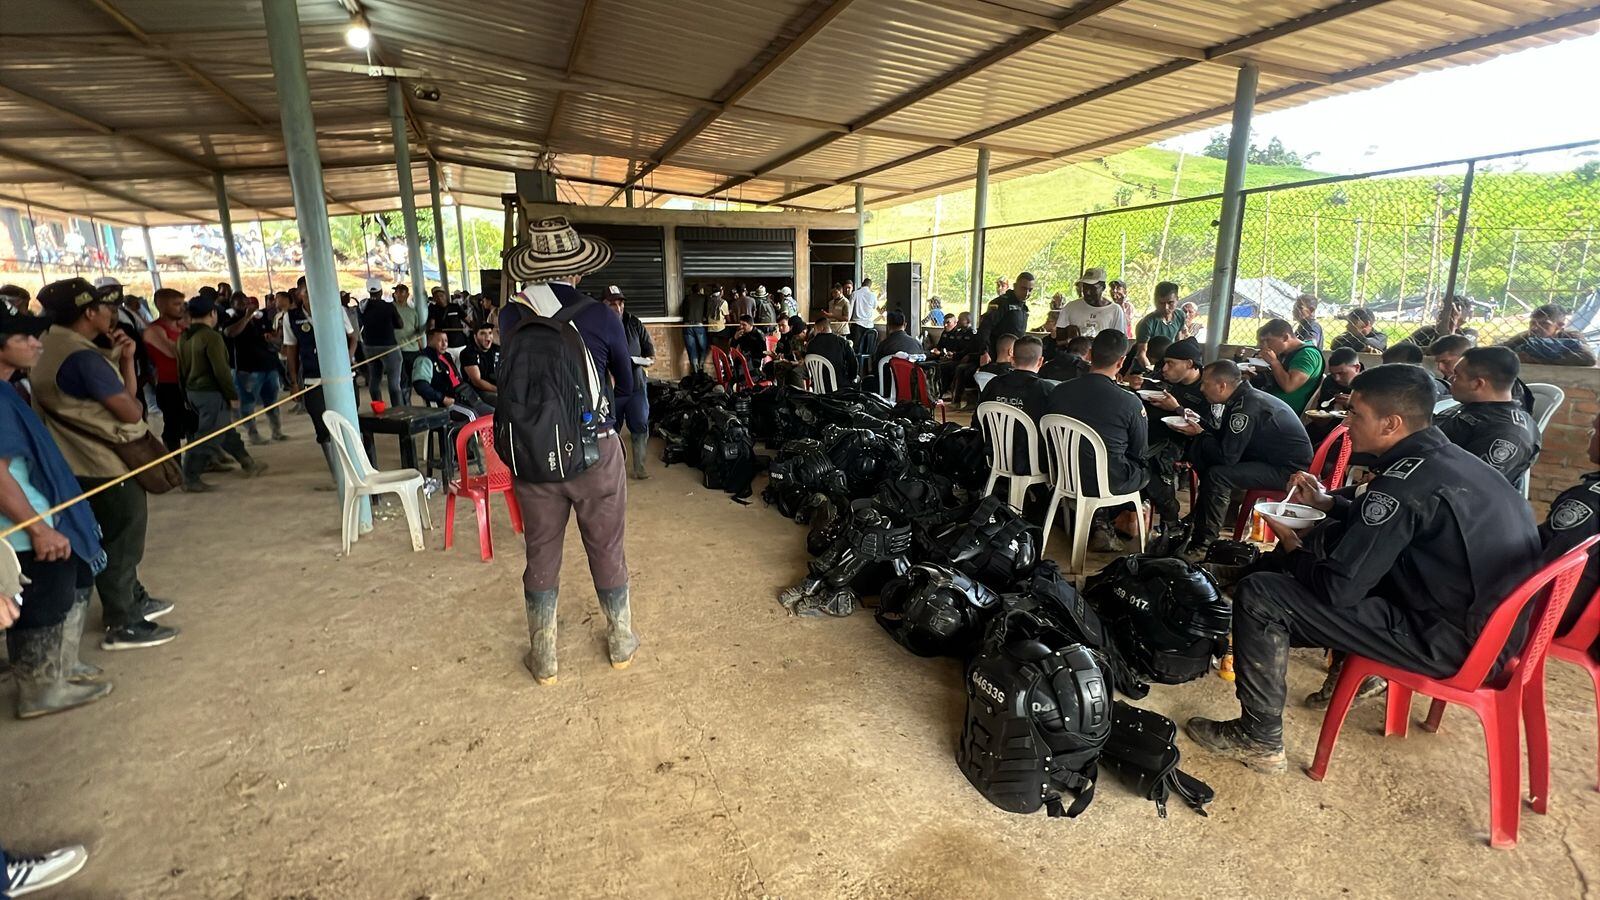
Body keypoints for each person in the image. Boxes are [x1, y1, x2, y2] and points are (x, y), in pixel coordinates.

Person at [1184, 364, 1542, 772]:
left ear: (1391, 423)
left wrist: (1293, 547)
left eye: (1355, 413)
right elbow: (1391, 527)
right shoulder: (1446, 459)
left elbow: (1338, 590)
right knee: (1333, 538)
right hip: (1486, 628)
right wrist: (1330, 504)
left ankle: (1258, 737)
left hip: (1447, 642)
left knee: (1263, 595)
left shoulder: (1403, 482)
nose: (1346, 422)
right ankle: (1344, 668)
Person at [499, 217, 637, 685]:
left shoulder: (510, 315)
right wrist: (610, 424)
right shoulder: (602, 315)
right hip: (593, 450)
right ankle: (619, 641)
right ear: (578, 269)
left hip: (533, 456)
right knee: (607, 545)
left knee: (540, 551)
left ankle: (545, 658)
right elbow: (629, 381)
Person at [31, 279, 179, 651]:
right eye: (103, 307)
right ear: (88, 313)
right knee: (122, 537)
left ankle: (131, 596)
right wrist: (123, 365)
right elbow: (131, 410)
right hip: (103, 462)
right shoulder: (82, 358)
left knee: (114, 535)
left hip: (75, 458)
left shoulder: (52, 345)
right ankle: (123, 618)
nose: (111, 312)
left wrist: (125, 359)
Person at [0, 306, 115, 718]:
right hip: (20, 528)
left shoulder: (9, 389)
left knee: (72, 583)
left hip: (40, 516)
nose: (36, 343)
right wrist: (37, 529)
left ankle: (62, 667)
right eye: (22, 338)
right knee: (43, 602)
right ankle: (41, 690)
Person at [1176, 359, 1313, 559]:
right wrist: (1199, 424)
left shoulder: (1245, 407)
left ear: (1222, 386)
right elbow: (1225, 440)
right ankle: (1200, 520)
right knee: (1207, 458)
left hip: (1289, 471)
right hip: (1267, 458)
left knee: (1218, 475)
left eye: (1205, 383)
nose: (1202, 388)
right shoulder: (1242, 398)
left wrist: (1199, 434)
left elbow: (1227, 456)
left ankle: (1204, 545)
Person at [1040, 330, 1148, 551]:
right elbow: (1139, 451)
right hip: (1109, 482)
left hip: (1064, 475)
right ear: (1121, 362)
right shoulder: (1130, 402)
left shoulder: (1058, 391)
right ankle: (1127, 522)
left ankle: (1100, 520)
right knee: (1146, 469)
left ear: (1089, 355)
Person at [176, 296, 268, 492]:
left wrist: (185, 395)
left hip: (193, 392)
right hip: (211, 392)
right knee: (208, 436)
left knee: (225, 430)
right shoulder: (211, 337)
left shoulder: (183, 336)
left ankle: (247, 462)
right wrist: (232, 395)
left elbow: (180, 369)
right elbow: (221, 371)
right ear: (212, 313)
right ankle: (190, 477)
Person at [281, 277, 357, 484]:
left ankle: (355, 467)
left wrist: (348, 358)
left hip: (342, 377)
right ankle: (337, 474)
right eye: (304, 291)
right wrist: (294, 382)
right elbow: (291, 350)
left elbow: (353, 337)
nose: (308, 295)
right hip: (313, 379)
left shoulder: (335, 310)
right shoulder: (291, 317)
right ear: (299, 294)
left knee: (349, 422)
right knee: (322, 425)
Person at [1435, 346, 1540, 487]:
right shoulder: (1472, 406)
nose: (1451, 380)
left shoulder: (1506, 434)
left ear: (1478, 384)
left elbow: (1468, 488)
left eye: (1457, 376)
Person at [1139, 336, 1209, 540]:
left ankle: (1169, 512)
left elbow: (1207, 423)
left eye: (1171, 364)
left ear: (1189, 364)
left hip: (1188, 442)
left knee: (1152, 461)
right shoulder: (1167, 379)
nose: (1164, 368)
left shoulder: (1207, 385)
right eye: (1164, 363)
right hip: (1155, 435)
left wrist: (1177, 408)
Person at [1539, 413, 1598, 644]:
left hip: (1559, 614)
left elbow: (1542, 563)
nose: (1591, 436)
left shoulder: (1587, 502)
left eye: (1597, 431)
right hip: (1589, 616)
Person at [978, 335, 1052, 475]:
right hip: (1033, 461)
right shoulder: (1046, 390)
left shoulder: (993, 384)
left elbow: (977, 421)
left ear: (1012, 359)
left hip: (994, 455)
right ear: (1041, 361)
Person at [604, 288, 654, 480]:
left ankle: (639, 468)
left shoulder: (634, 322)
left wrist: (643, 360)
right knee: (611, 429)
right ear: (604, 305)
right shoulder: (599, 326)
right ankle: (613, 470)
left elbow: (650, 353)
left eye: (621, 303)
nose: (618, 307)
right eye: (612, 304)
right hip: (612, 389)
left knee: (640, 424)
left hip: (636, 386)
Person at [226, 294, 288, 445]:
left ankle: (276, 431)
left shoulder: (260, 318)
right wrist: (246, 318)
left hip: (268, 365)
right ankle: (253, 434)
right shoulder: (231, 319)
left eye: (246, 302)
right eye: (240, 303)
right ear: (233, 304)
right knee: (247, 403)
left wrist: (274, 338)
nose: (245, 305)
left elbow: (269, 333)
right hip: (247, 369)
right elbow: (230, 333)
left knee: (272, 400)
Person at [141, 288, 192, 452]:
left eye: (182, 304)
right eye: (176, 304)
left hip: (188, 383)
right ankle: (174, 466)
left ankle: (202, 462)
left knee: (194, 425)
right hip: (169, 385)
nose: (181, 308)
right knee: (173, 430)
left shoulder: (183, 329)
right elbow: (174, 352)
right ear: (161, 306)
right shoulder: (154, 330)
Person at [411, 329, 490, 418]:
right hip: (450, 401)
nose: (444, 344)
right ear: (430, 340)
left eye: (446, 340)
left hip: (465, 393)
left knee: (495, 409)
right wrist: (442, 398)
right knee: (477, 416)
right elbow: (421, 386)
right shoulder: (424, 359)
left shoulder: (446, 355)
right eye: (440, 340)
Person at [1254, 318, 1324, 415]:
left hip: (1284, 412)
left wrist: (1274, 362)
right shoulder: (1287, 352)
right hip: (1271, 404)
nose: (1264, 346)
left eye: (1268, 340)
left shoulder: (1307, 354)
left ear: (1285, 337)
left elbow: (1289, 386)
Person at [1500, 303, 1597, 367]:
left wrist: (1535, 360)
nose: (1535, 328)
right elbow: (1498, 349)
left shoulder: (1571, 336)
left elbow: (1589, 358)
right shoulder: (1527, 336)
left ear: (1559, 326)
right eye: (1533, 323)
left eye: (1544, 324)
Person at [360, 280, 405, 408]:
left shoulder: (363, 307)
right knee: (394, 383)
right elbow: (400, 324)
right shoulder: (388, 306)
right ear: (380, 291)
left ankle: (378, 408)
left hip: (369, 346)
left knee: (374, 379)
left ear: (369, 291)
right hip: (388, 345)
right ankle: (398, 410)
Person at [1056, 267, 1125, 341]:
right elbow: (1059, 338)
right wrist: (1068, 332)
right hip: (1076, 352)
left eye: (1093, 288)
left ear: (1103, 287)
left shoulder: (1114, 310)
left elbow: (1119, 342)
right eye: (1085, 287)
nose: (1087, 292)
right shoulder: (1071, 307)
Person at [978, 272, 1033, 361]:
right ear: (1015, 286)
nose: (1027, 293)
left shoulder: (1024, 308)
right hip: (996, 354)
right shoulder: (1001, 303)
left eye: (1030, 290)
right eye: (1023, 288)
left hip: (1013, 355)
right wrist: (984, 352)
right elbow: (985, 327)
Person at [803, 311, 857, 388]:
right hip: (839, 387)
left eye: (814, 329)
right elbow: (853, 363)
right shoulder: (842, 342)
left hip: (818, 387)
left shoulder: (811, 344)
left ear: (821, 328)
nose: (813, 332)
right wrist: (851, 378)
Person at [1133, 282, 1185, 360]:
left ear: (1177, 299)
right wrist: (1150, 370)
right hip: (1149, 363)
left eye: (1170, 302)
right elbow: (1141, 354)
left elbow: (1178, 341)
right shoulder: (1147, 323)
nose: (1166, 307)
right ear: (1155, 301)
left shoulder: (1180, 316)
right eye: (1161, 303)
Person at [1400, 295, 1466, 349]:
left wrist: (1452, 326)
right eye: (1441, 309)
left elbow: (1451, 353)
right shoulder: (1428, 330)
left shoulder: (1467, 333)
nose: (1441, 313)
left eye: (1451, 311)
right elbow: (1400, 348)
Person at [459, 322, 501, 405]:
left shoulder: (497, 349)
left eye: (490, 333)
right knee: (502, 401)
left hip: (497, 387)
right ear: (475, 336)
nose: (488, 337)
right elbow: (477, 381)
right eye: (483, 333)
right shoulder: (468, 353)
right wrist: (499, 390)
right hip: (478, 391)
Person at [1311, 347, 1363, 414]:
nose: (1337, 378)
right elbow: (1322, 413)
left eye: (1341, 373)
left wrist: (1354, 405)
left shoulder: (1371, 384)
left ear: (1357, 368)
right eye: (1333, 374)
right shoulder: (1330, 381)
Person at [849, 277, 879, 359]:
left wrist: (847, 322)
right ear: (870, 286)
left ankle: (856, 369)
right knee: (868, 350)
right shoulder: (873, 295)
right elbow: (875, 307)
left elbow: (850, 310)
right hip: (870, 326)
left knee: (855, 350)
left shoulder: (855, 293)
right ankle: (867, 369)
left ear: (862, 284)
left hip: (857, 324)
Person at [681, 283, 709, 373]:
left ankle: (695, 371)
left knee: (692, 349)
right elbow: (706, 313)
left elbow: (683, 311)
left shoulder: (687, 298)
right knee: (703, 347)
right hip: (698, 324)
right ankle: (701, 367)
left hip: (687, 325)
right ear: (700, 290)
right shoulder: (704, 298)